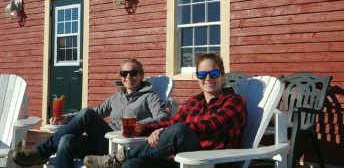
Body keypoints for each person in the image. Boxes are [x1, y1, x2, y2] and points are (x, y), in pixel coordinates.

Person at [84, 53, 247, 168]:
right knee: (133, 165)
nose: (208, 78)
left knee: (181, 129)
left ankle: (120, 157)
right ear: (197, 76)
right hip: (180, 161)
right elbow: (171, 122)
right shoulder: (194, 102)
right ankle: (124, 159)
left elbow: (212, 126)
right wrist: (140, 128)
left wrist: (166, 131)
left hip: (209, 162)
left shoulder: (234, 102)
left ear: (222, 75)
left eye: (214, 73)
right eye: (202, 74)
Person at [12, 58, 169, 167]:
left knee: (86, 114)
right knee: (66, 140)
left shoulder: (150, 96)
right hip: (102, 142)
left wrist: (138, 124)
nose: (129, 77)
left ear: (141, 75)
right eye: (124, 74)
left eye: (133, 73)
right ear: (121, 77)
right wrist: (65, 118)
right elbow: (96, 112)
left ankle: (41, 151)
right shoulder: (116, 97)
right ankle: (43, 152)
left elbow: (163, 117)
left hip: (123, 147)